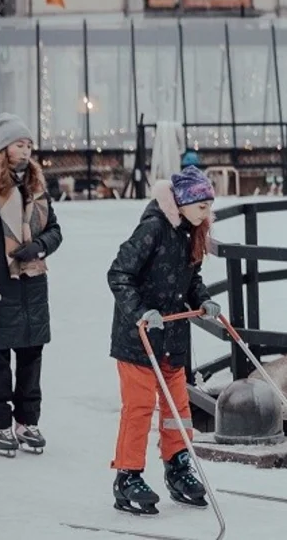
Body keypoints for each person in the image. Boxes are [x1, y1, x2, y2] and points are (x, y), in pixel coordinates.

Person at [106, 165, 220, 514]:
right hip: (138, 337)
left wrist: (202, 299)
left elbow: (190, 277)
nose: (207, 213)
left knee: (177, 409)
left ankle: (177, 464)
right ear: (183, 202)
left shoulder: (190, 231)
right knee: (139, 407)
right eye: (202, 206)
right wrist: (140, 310)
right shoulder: (153, 228)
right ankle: (128, 475)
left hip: (172, 337)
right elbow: (119, 273)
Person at [0, 113, 62, 458]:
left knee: (32, 355)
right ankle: (0, 423)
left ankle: (27, 420)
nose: (27, 149)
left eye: (30, 144)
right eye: (20, 144)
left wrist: (40, 245)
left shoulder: (36, 186)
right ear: (5, 147)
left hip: (32, 285)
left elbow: (55, 229)